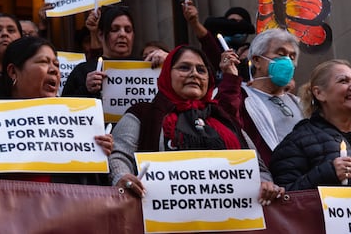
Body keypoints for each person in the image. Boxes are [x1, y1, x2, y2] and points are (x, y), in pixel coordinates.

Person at [109, 45, 284, 205]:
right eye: (184, 67)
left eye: (201, 70)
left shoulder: (224, 119)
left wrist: (265, 184)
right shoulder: (143, 114)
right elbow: (119, 155)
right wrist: (122, 177)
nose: (194, 74)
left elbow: (257, 167)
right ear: (167, 73)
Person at [0, 36, 113, 184]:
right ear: (13, 71)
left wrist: (101, 152)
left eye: (56, 64)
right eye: (43, 62)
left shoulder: (77, 122)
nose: (54, 70)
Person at [270, 59, 351, 190]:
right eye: (343, 81)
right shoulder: (297, 142)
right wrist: (327, 173)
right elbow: (284, 198)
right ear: (319, 93)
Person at [216, 28, 303, 167]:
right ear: (257, 60)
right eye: (281, 54)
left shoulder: (300, 103)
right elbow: (225, 121)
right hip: (268, 183)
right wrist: (230, 80)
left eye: (292, 57)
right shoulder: (241, 98)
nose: (287, 61)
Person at [62, 5, 167, 98]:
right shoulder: (83, 71)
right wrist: (85, 89)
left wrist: (169, 63)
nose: (122, 34)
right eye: (115, 29)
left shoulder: (147, 67)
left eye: (128, 30)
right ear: (100, 35)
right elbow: (67, 110)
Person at [183, 2, 255, 82]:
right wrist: (194, 22)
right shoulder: (219, 51)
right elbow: (206, 38)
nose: (234, 28)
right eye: (231, 23)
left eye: (239, 24)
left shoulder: (252, 51)